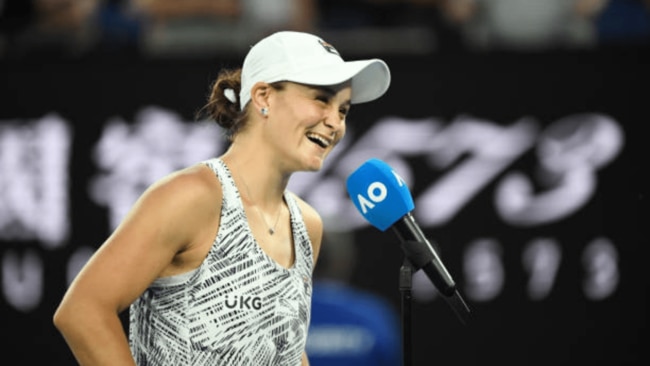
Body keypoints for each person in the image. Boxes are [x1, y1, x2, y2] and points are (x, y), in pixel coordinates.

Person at [52, 30, 391, 365]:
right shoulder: (191, 197)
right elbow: (83, 311)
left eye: (343, 110)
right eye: (321, 99)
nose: (335, 122)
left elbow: (283, 348)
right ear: (263, 97)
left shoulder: (307, 226)